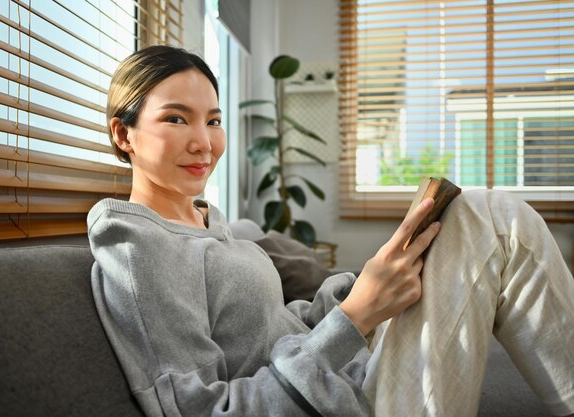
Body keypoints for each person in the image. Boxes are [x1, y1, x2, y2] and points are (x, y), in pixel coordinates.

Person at [87, 45, 574, 417]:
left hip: (349, 378)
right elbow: (206, 410)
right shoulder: (137, 249)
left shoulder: (204, 222)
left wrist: (357, 291)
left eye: (212, 120)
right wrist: (356, 318)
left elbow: (268, 334)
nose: (204, 142)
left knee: (483, 216)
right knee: (493, 219)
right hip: (344, 403)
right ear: (123, 134)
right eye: (176, 118)